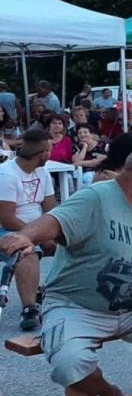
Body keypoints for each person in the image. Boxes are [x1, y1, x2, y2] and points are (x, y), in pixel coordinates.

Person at [0, 148, 132, 396]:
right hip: (76, 306)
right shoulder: (96, 197)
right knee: (69, 363)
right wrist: (24, 236)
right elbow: (56, 221)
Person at [0, 130, 58, 331]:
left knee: (79, 244)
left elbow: (51, 207)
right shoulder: (6, 174)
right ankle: (29, 308)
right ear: (43, 153)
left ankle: (62, 293)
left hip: (36, 228)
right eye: (50, 149)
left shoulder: (43, 172)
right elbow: (6, 218)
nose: (51, 153)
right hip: (8, 230)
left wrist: (55, 232)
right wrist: (39, 234)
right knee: (26, 252)